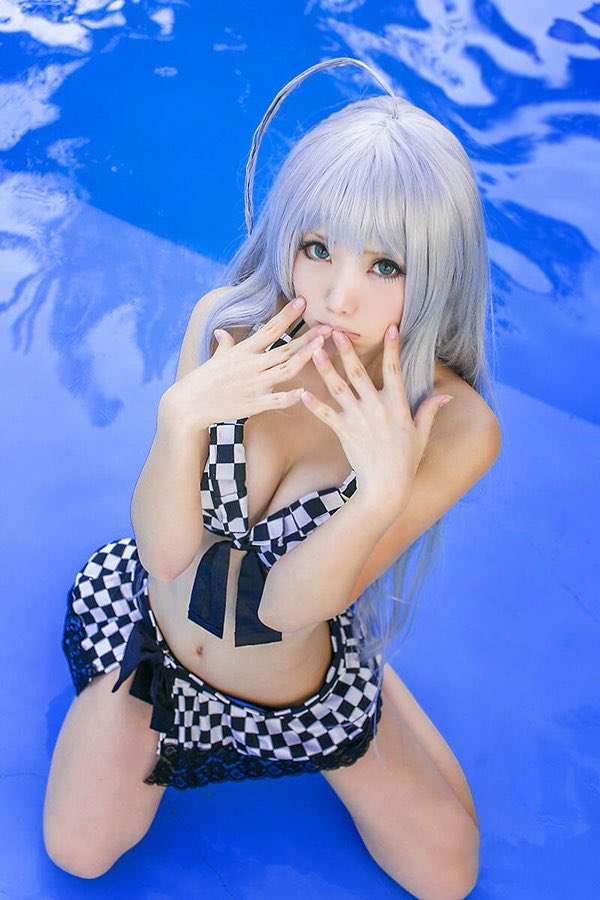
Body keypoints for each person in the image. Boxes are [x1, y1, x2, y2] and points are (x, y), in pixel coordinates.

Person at [43, 57, 501, 896]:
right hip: (157, 646)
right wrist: (179, 421)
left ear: (439, 271)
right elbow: (165, 552)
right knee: (76, 848)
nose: (338, 296)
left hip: (301, 681)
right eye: (318, 248)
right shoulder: (229, 326)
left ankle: (371, 679)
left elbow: (287, 609)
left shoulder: (450, 423)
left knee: (449, 877)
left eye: (387, 267)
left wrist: (381, 492)